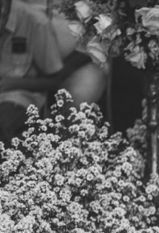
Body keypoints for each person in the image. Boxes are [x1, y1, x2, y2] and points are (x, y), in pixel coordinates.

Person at [0, 0, 106, 144]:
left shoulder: (36, 21)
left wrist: (15, 83)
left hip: (74, 65)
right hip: (17, 70)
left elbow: (56, 78)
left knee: (74, 97)